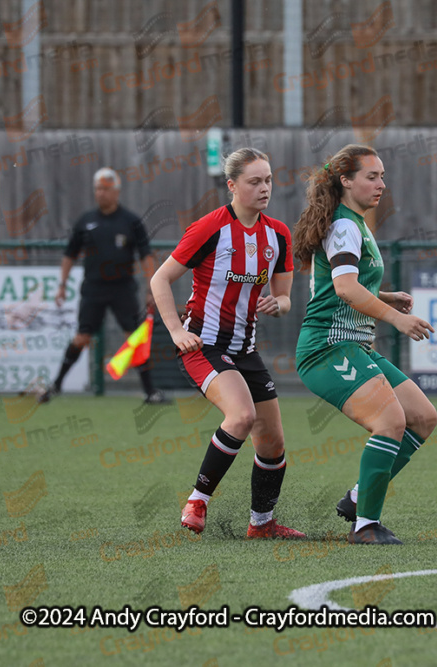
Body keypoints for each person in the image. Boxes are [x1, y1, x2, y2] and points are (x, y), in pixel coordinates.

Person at [150, 148, 304, 540]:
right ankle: (197, 500)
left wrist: (279, 303)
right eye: (255, 181)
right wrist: (175, 331)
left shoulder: (278, 234)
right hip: (205, 345)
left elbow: (285, 296)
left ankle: (261, 524)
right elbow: (159, 279)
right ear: (232, 186)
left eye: (268, 179)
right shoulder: (210, 228)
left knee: (273, 443)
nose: (264, 188)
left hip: (245, 349)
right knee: (240, 417)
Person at [293, 144, 437, 545]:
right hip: (327, 347)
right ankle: (366, 526)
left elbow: (344, 285)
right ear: (346, 181)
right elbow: (344, 288)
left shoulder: (354, 222)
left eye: (382, 175)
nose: (381, 184)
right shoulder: (343, 225)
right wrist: (396, 318)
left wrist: (387, 297)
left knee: (422, 417)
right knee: (390, 422)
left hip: (354, 345)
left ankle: (358, 498)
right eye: (372, 177)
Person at [40, 168, 166, 404]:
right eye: (98, 189)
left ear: (116, 192)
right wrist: (62, 285)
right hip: (93, 288)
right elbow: (69, 255)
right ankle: (56, 386)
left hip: (123, 288)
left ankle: (150, 392)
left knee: (134, 338)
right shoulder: (86, 221)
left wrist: (152, 288)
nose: (101, 193)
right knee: (82, 338)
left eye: (106, 189)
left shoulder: (130, 221)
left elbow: (146, 256)